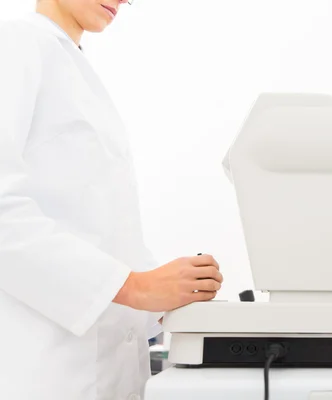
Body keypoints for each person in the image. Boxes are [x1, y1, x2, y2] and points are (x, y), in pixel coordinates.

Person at [0, 1, 223, 399]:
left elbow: (97, 230)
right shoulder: (17, 44)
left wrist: (166, 300)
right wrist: (134, 287)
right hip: (46, 374)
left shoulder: (71, 68)